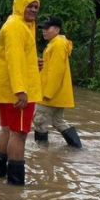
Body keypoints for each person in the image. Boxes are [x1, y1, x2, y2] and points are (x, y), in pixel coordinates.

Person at [0, 0, 42, 186]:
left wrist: (33, 62)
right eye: (29, 5)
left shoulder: (19, 25)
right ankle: (15, 185)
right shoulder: (15, 27)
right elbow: (13, 60)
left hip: (7, 89)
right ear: (19, 5)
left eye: (36, 7)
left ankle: (0, 175)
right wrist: (20, 90)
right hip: (18, 91)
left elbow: (18, 56)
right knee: (19, 134)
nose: (33, 10)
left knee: (6, 130)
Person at [34, 17, 82, 148]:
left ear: (57, 29)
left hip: (51, 93)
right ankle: (77, 148)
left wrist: (47, 93)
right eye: (43, 28)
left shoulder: (58, 45)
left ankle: (40, 152)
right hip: (57, 92)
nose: (44, 31)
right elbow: (51, 68)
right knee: (57, 121)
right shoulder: (55, 43)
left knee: (39, 121)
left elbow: (57, 71)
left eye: (47, 28)